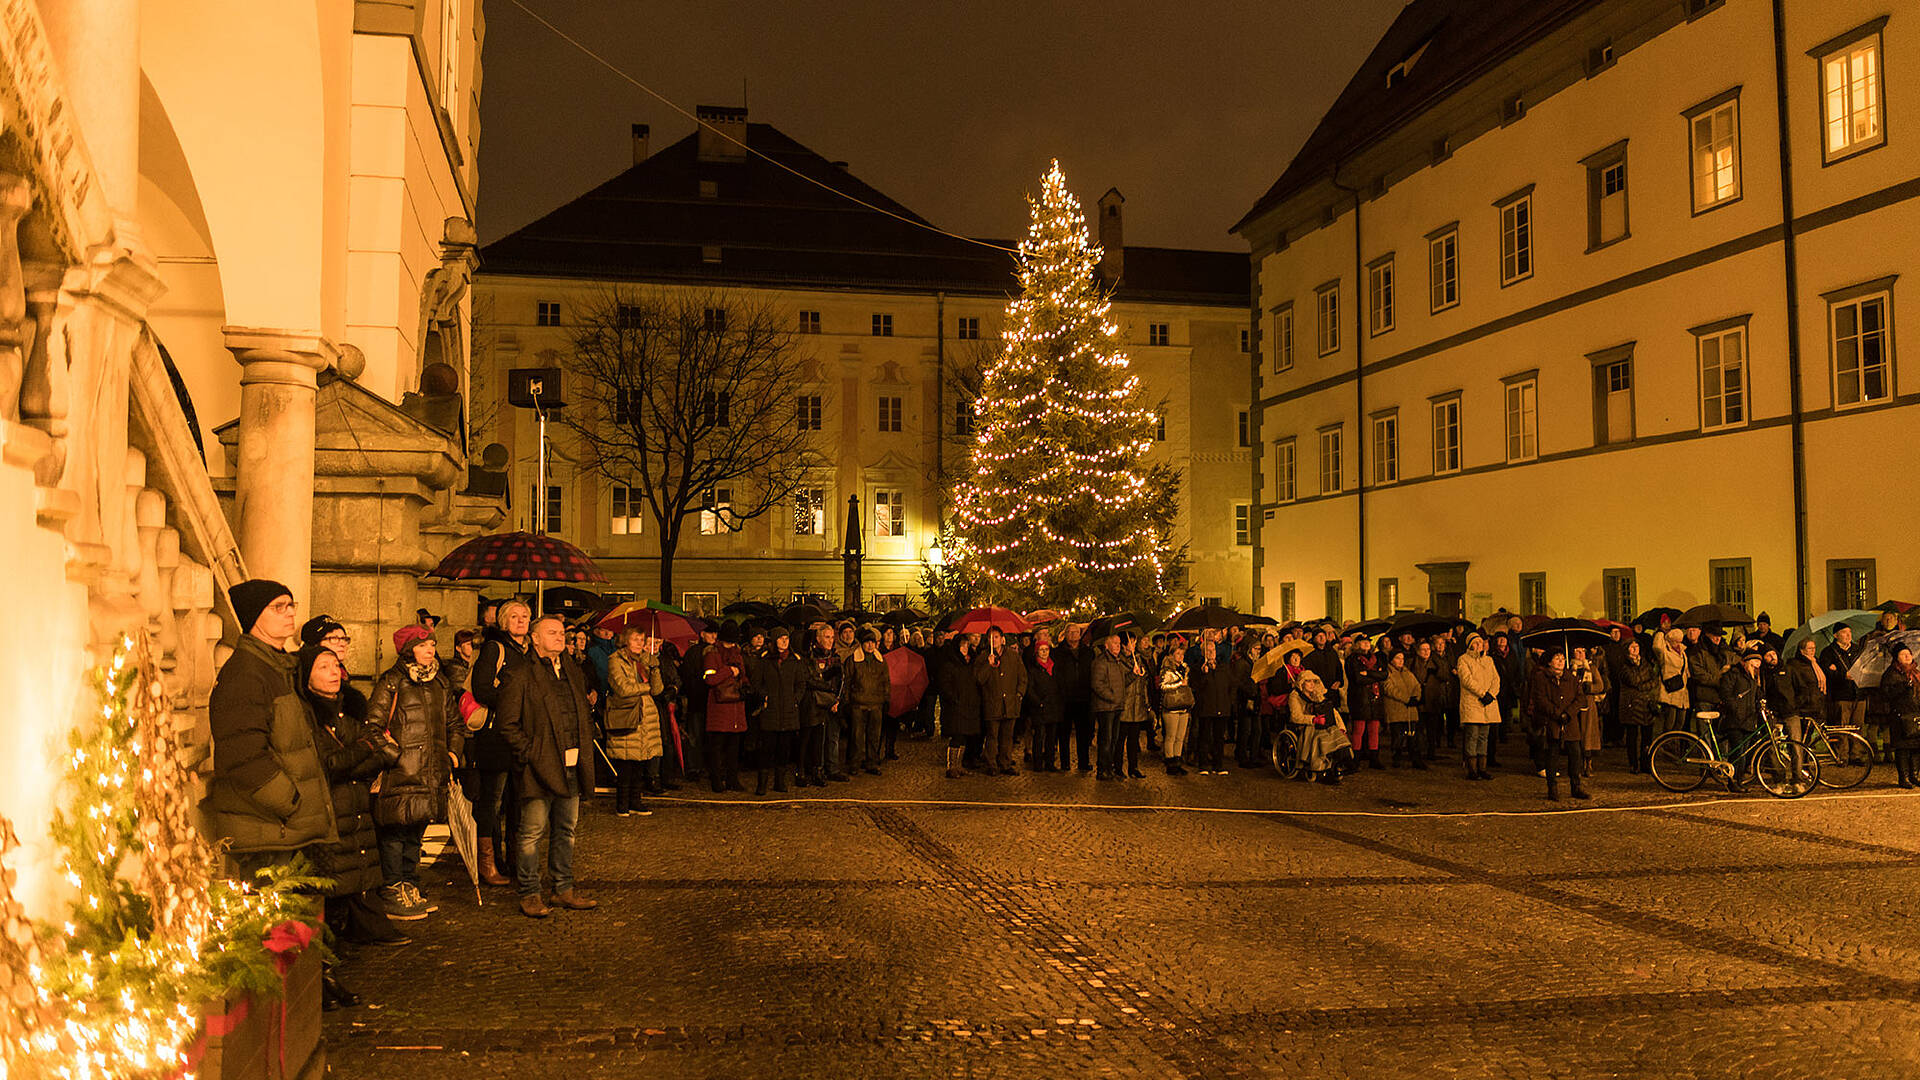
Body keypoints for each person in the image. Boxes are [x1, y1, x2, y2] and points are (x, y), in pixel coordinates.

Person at [297, 644, 406, 1010]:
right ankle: (318, 980)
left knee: (341, 905)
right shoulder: (307, 715)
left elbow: (367, 760)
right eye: (324, 665)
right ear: (306, 675)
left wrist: (363, 754)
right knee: (323, 903)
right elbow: (329, 764)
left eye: (336, 665)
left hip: (354, 814)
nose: (333, 671)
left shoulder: (348, 710)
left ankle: (328, 977)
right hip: (328, 817)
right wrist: (364, 750)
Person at [206, 580, 337, 875]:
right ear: (254, 617)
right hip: (268, 829)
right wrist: (290, 802)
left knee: (301, 918)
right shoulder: (246, 673)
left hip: (285, 830)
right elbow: (242, 754)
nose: (289, 613)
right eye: (278, 607)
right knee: (279, 920)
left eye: (291, 605)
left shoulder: (279, 667)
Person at [497, 614, 599, 918]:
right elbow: (507, 724)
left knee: (566, 830)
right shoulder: (520, 674)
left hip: (572, 764)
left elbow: (578, 711)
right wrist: (531, 753)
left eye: (561, 633)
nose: (560, 637)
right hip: (538, 767)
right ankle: (529, 893)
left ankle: (563, 888)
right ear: (535, 638)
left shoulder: (571, 670)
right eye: (552, 633)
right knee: (531, 832)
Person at [367, 624, 458, 922]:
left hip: (430, 773)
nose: (430, 649)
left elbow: (454, 724)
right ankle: (394, 888)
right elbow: (372, 727)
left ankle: (411, 885)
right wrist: (396, 756)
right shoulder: (392, 682)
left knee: (416, 833)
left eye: (432, 644)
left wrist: (453, 753)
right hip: (401, 774)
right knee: (395, 833)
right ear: (408, 650)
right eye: (422, 645)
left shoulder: (440, 683)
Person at [467, 598, 532, 888]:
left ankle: (517, 861)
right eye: (514, 616)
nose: (521, 621)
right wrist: (515, 703)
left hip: (523, 736)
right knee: (492, 802)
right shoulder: (496, 648)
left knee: (519, 802)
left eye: (526, 616)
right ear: (503, 622)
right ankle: (488, 863)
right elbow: (482, 689)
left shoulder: (531, 651)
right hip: (495, 737)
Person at [605, 627, 665, 814]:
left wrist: (654, 668)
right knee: (626, 762)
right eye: (636, 639)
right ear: (625, 640)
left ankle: (635, 801)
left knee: (640, 761)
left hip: (645, 715)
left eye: (642, 639)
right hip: (627, 714)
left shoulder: (645, 661)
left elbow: (657, 690)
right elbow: (623, 688)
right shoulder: (616, 660)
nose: (640, 643)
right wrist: (645, 687)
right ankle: (622, 803)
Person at [751, 627, 809, 791]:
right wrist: (764, 696)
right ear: (774, 641)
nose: (785, 641)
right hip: (770, 710)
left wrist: (795, 699)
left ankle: (780, 782)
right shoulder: (765, 660)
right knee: (767, 749)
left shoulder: (794, 660)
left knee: (784, 749)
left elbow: (801, 684)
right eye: (781, 638)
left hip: (789, 712)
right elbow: (757, 683)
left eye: (787, 638)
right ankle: (762, 783)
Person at [1527, 650, 1587, 801]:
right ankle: (1552, 788)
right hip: (1552, 721)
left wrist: (1569, 713)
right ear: (1549, 661)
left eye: (1562, 658)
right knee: (1552, 755)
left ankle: (1576, 786)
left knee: (1575, 754)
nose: (1560, 661)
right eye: (1557, 658)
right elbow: (1540, 699)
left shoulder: (1571, 679)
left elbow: (1580, 698)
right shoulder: (1541, 678)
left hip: (1570, 722)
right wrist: (1557, 713)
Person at [702, 623, 750, 793]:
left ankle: (732, 778)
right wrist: (729, 671)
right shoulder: (712, 653)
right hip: (720, 706)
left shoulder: (737, 653)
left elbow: (742, 674)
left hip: (736, 705)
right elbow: (709, 679)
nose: (733, 645)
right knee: (717, 746)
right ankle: (716, 779)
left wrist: (744, 683)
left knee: (733, 747)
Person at [975, 627, 1027, 776]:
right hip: (992, 703)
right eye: (991, 638)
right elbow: (979, 679)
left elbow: (1022, 677)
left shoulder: (1013, 656)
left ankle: (1005, 762)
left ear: (1002, 638)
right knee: (992, 736)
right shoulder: (983, 657)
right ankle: (991, 764)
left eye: (996, 637)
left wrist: (1019, 694)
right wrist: (988, 665)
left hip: (1010, 703)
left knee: (1007, 736)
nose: (994, 640)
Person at [844, 627, 891, 775]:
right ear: (862, 644)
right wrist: (847, 702)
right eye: (867, 642)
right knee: (857, 737)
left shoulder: (880, 661)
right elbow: (847, 681)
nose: (870, 645)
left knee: (874, 737)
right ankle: (855, 764)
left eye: (872, 642)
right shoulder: (853, 660)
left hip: (876, 704)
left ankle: (872, 763)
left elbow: (886, 681)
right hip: (858, 704)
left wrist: (885, 699)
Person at [1287, 671, 1349, 784]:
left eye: (1314, 681)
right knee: (1320, 737)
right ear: (1302, 683)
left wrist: (1341, 727)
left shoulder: (1317, 695)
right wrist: (1313, 719)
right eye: (1308, 681)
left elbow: (1333, 712)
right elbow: (1296, 716)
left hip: (1323, 724)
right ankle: (1320, 767)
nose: (1311, 684)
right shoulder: (1295, 696)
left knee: (1334, 732)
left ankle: (1336, 762)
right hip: (1305, 725)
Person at [1455, 631, 1501, 781]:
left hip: (1487, 703)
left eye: (1480, 643)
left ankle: (1483, 768)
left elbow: (1496, 679)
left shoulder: (1489, 660)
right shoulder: (1463, 659)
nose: (1479, 645)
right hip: (1473, 703)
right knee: (1472, 736)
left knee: (1484, 737)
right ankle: (1472, 769)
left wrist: (1491, 694)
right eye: (1475, 643)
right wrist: (1482, 694)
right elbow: (1467, 680)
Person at [805, 623, 848, 783]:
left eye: (832, 637)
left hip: (834, 704)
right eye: (826, 637)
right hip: (818, 703)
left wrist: (837, 700)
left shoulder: (835, 658)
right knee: (818, 739)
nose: (830, 640)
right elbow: (813, 681)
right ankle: (818, 768)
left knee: (833, 737)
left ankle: (833, 768)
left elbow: (842, 681)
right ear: (818, 638)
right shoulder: (812, 657)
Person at [1090, 630, 1132, 781]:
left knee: (1113, 739)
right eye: (1115, 643)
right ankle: (1102, 769)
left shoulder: (1118, 661)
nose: (1118, 646)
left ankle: (1109, 768)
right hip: (1106, 707)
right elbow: (1097, 684)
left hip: (1116, 706)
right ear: (1107, 645)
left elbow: (1123, 682)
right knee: (1105, 739)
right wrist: (1112, 697)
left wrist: (1133, 675)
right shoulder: (1101, 662)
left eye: (1119, 644)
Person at [1615, 637, 1661, 773]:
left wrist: (1645, 684)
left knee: (1647, 736)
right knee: (1632, 736)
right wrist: (1646, 683)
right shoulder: (1624, 665)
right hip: (1631, 705)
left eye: (1637, 646)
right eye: (1632, 647)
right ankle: (1633, 763)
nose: (1635, 649)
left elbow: (1654, 680)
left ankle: (1646, 762)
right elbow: (1633, 680)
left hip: (1646, 704)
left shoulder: (1645, 663)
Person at [936, 633, 979, 779]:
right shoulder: (950, 663)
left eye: (967, 645)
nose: (965, 648)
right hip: (956, 705)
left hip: (969, 704)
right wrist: (954, 698)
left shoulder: (972, 662)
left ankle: (959, 765)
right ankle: (951, 766)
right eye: (962, 645)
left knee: (965, 736)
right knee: (957, 736)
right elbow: (945, 684)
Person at [1054, 624, 1095, 773]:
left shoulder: (1088, 653)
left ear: (1080, 634)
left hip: (1083, 698)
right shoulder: (1057, 652)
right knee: (1063, 733)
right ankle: (1065, 762)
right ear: (1065, 634)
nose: (1073, 635)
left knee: (1083, 733)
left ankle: (1083, 762)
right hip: (1064, 698)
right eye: (1070, 632)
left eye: (1076, 632)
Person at [1880, 644, 1920, 788]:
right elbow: (1885, 695)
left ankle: (1914, 775)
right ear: (1897, 658)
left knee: (1917, 747)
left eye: (1908, 653)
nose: (1907, 656)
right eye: (1903, 654)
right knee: (1903, 748)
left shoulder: (1916, 672)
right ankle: (1904, 778)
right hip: (1900, 716)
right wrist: (1903, 688)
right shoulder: (1891, 674)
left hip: (1916, 715)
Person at [1023, 636, 1064, 773]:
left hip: (1053, 706)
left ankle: (1050, 762)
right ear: (1037, 652)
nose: (1044, 652)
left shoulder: (1054, 667)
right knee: (1039, 736)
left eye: (1046, 649)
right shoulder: (1033, 670)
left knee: (1052, 737)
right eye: (1041, 650)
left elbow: (1059, 685)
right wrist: (1038, 702)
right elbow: (1030, 689)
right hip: (1040, 707)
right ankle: (1038, 762)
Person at [1820, 624, 1868, 734]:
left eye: (1849, 632)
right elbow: (1827, 672)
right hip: (1841, 696)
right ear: (1836, 635)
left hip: (1859, 695)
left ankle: (1857, 751)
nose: (1848, 635)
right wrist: (1843, 675)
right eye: (1844, 632)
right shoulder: (1828, 652)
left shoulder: (1858, 650)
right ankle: (1842, 751)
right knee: (1842, 728)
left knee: (1858, 728)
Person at [1380, 650, 1423, 769]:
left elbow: (1416, 686)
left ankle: (1415, 758)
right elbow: (1389, 689)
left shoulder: (1407, 672)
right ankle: (1396, 757)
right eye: (1398, 658)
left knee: (1413, 736)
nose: (1400, 661)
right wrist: (1406, 698)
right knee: (1398, 736)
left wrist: (1416, 697)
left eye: (1402, 658)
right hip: (1396, 710)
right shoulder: (1388, 673)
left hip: (1410, 710)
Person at [1570, 646, 1608, 778]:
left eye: (1582, 651)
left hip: (1588, 706)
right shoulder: (1570, 669)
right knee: (1575, 734)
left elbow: (1600, 685)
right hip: (1573, 706)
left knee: (1588, 735)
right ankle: (1576, 764)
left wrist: (1589, 687)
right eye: (1577, 651)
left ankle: (1588, 764)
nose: (1579, 654)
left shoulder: (1591, 668)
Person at [1156, 645, 1192, 776]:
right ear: (1171, 655)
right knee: (1171, 736)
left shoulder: (1184, 668)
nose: (1180, 656)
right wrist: (1178, 684)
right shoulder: (1167, 670)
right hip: (1171, 707)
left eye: (1182, 654)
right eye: (1178, 654)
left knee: (1180, 737)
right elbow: (1162, 686)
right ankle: (1170, 762)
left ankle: (1178, 761)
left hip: (1183, 705)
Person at [1653, 628, 1691, 736]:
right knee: (1669, 724)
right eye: (1675, 641)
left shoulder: (1683, 652)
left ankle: (1674, 745)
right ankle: (1665, 746)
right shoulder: (1664, 652)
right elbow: (1656, 646)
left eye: (1679, 641)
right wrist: (1660, 632)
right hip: (1670, 691)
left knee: (1680, 723)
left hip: (1682, 690)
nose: (1677, 644)